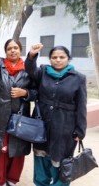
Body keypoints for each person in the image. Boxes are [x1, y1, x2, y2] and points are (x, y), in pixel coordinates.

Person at [25, 44, 87, 186]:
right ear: (50, 59)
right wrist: (32, 55)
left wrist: (80, 130)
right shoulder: (43, 72)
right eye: (54, 57)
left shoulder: (78, 78)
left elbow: (81, 106)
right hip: (42, 125)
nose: (58, 60)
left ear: (68, 59)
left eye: (62, 57)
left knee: (61, 163)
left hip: (65, 127)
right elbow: (29, 69)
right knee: (41, 161)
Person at [0, 30, 36, 186]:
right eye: (9, 48)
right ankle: (1, 180)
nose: (13, 50)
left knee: (17, 151)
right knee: (1, 149)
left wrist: (25, 93)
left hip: (20, 117)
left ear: (20, 50)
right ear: (5, 51)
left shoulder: (28, 69)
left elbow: (37, 92)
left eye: (15, 48)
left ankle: (12, 179)